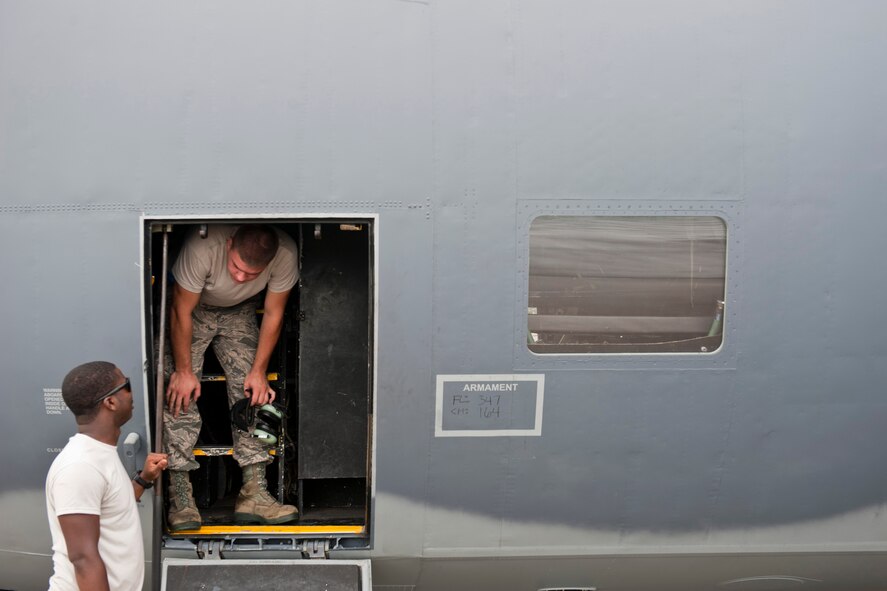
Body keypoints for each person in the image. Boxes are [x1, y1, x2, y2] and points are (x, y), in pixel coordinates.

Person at [163, 224, 299, 531]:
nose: (240, 277)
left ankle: (254, 492)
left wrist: (259, 372)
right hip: (194, 309)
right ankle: (181, 497)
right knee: (178, 390)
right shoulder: (203, 248)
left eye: (251, 275)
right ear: (229, 245)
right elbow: (180, 310)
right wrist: (184, 372)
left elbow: (274, 312)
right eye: (236, 268)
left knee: (255, 394)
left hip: (240, 311)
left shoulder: (285, 254)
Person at [46, 361, 168, 591]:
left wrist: (144, 479)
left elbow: (110, 507)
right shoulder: (80, 467)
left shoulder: (100, 455)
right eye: (127, 386)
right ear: (110, 402)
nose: (132, 394)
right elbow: (83, 559)